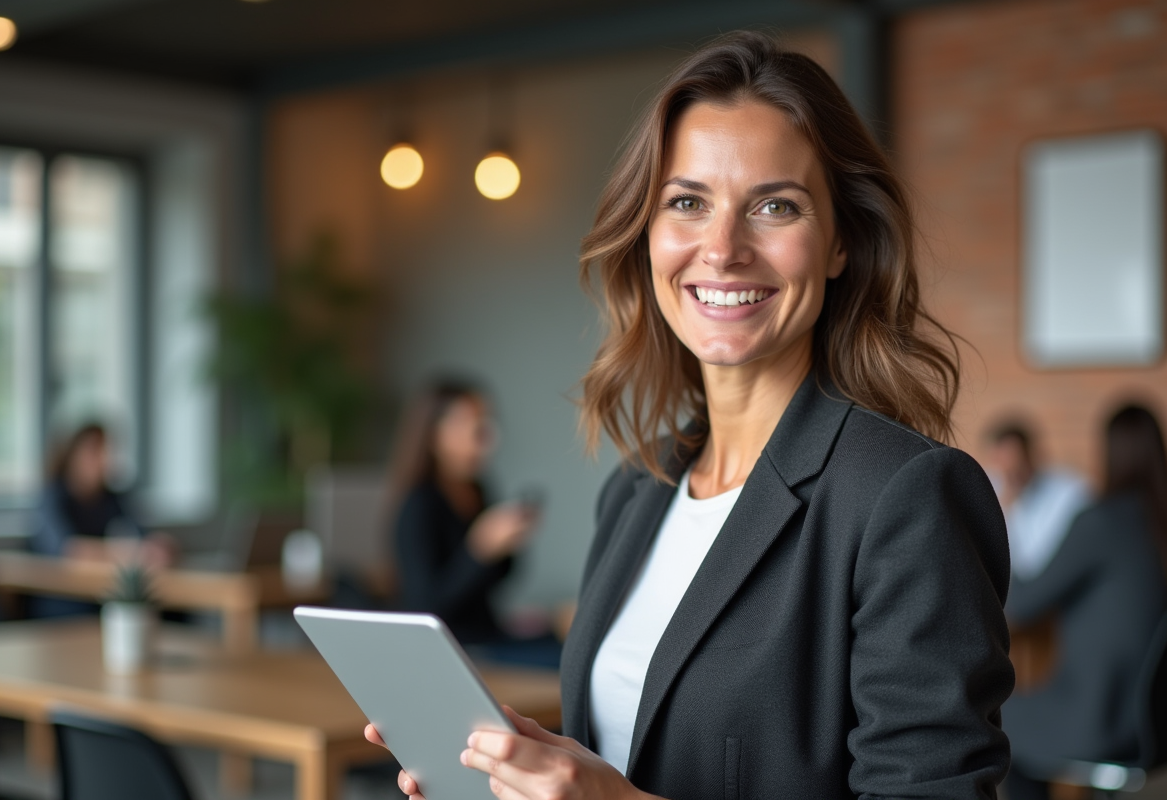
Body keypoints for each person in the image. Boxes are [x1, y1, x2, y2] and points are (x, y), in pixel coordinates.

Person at [368, 32, 1012, 799]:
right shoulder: (637, 488)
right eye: (687, 202)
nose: (723, 247)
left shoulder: (905, 496)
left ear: (840, 243)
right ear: (647, 234)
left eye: (775, 206)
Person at [1003, 404, 1167, 800]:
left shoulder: (1103, 522)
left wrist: (1006, 513)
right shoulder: (1155, 524)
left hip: (1099, 717)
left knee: (995, 714)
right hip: (1153, 725)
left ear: (1109, 453)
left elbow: (1022, 604)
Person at [389, 379, 557, 667]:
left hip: (489, 633)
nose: (485, 435)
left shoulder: (479, 489)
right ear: (435, 433)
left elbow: (500, 578)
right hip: (455, 649)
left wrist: (508, 543)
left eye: (486, 423)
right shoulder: (419, 505)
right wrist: (479, 549)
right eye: (471, 424)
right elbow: (425, 608)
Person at [28, 422, 171, 617]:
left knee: (163, 609)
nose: (104, 459)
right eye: (94, 451)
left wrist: (158, 546)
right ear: (73, 455)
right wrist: (135, 553)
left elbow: (143, 535)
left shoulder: (111, 497)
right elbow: (71, 551)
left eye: (107, 451)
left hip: (97, 590)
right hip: (59, 595)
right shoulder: (53, 497)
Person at [984, 420, 1090, 580]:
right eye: (1004, 465)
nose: (1012, 474)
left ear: (1031, 456)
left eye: (1017, 463)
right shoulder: (989, 489)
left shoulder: (1070, 491)